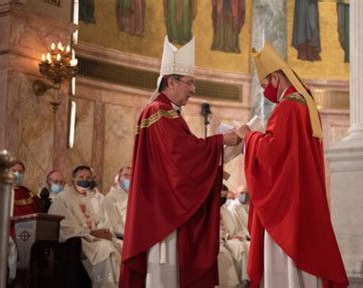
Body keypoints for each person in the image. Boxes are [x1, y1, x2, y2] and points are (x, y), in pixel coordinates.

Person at [120, 35, 241, 288]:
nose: (193, 89)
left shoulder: (163, 111)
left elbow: (183, 154)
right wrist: (219, 141)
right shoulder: (158, 111)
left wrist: (218, 146)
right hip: (163, 209)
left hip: (163, 204)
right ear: (171, 82)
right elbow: (180, 156)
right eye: (190, 83)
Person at [235, 42, 348, 288]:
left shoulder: (287, 107)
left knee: (285, 267)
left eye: (265, 85)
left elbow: (271, 155)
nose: (266, 93)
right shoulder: (306, 104)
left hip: (285, 204)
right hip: (304, 194)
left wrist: (248, 136)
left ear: (275, 78)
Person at [48, 165, 122, 288]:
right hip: (81, 241)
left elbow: (104, 221)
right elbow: (64, 226)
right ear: (73, 180)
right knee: (106, 249)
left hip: (96, 239)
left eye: (88, 178)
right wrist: (91, 233)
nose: (85, 180)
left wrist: (104, 232)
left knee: (122, 247)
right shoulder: (62, 198)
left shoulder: (94, 199)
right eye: (81, 177)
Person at [220, 188, 250, 286]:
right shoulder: (212, 209)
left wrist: (236, 236)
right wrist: (227, 237)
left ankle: (248, 277)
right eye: (222, 196)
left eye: (225, 196)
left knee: (247, 245)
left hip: (230, 238)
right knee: (239, 247)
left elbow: (234, 228)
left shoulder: (226, 211)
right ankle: (242, 279)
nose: (223, 198)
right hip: (223, 240)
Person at [103, 166, 131, 238]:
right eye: (126, 175)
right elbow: (114, 225)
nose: (129, 179)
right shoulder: (110, 198)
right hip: (124, 236)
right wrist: (130, 234)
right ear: (118, 179)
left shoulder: (136, 195)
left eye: (132, 176)